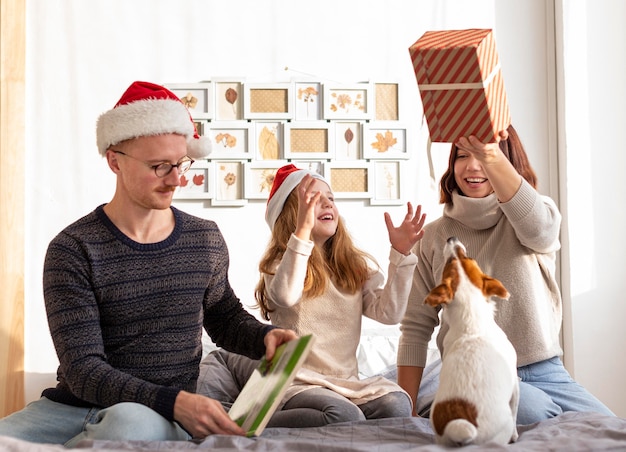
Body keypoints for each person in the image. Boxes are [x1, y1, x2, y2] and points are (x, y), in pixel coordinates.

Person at [0, 81, 297, 446]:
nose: (176, 179)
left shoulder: (204, 239)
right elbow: (82, 369)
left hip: (151, 414)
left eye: (181, 163)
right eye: (159, 166)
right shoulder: (73, 249)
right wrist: (176, 402)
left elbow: (224, 317)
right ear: (114, 161)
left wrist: (265, 337)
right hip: (73, 408)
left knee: (130, 427)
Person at [396, 125, 615, 425]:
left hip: (546, 371)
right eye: (462, 155)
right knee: (536, 414)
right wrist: (405, 408)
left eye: (483, 156)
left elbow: (542, 231)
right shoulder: (433, 236)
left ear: (505, 162)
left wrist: (491, 155)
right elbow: (416, 328)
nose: (472, 166)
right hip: (475, 370)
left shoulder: (535, 214)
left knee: (611, 429)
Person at [251, 164, 426, 427]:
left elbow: (390, 314)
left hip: (345, 382)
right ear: (290, 215)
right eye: (313, 200)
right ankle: (260, 413)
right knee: (343, 415)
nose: (327, 204)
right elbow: (286, 296)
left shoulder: (351, 267)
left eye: (330, 198)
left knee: (398, 404)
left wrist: (400, 254)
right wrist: (302, 233)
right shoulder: (281, 264)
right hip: (295, 381)